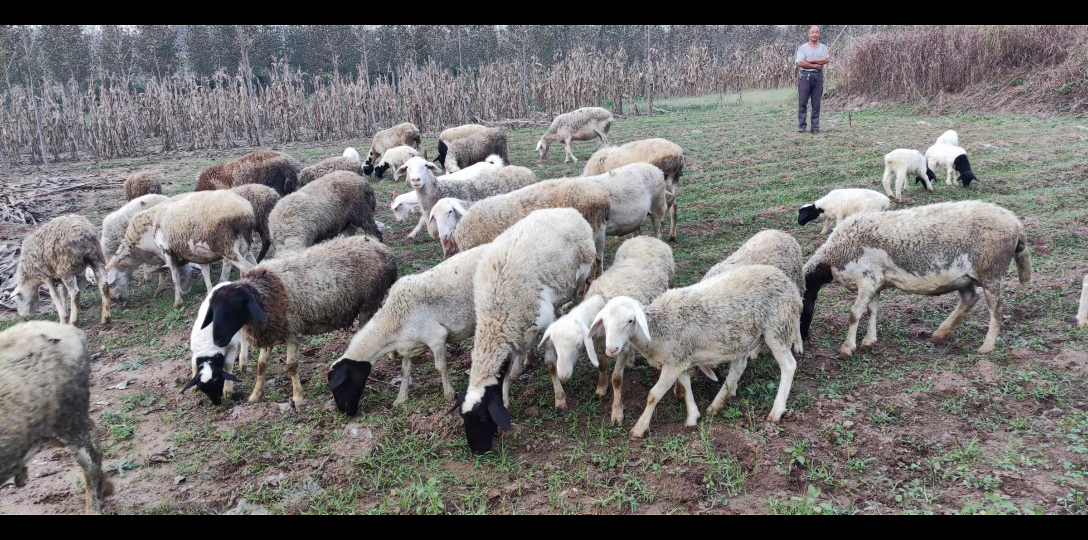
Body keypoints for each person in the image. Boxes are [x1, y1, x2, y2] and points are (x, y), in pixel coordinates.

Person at [796, 26, 829, 134]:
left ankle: (815, 127)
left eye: (817, 32)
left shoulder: (823, 47)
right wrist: (815, 65)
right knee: (803, 102)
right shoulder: (803, 48)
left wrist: (811, 60)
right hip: (805, 77)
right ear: (809, 34)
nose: (814, 34)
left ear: (820, 34)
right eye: (812, 32)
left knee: (816, 103)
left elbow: (826, 60)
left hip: (818, 77)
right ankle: (802, 126)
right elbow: (800, 63)